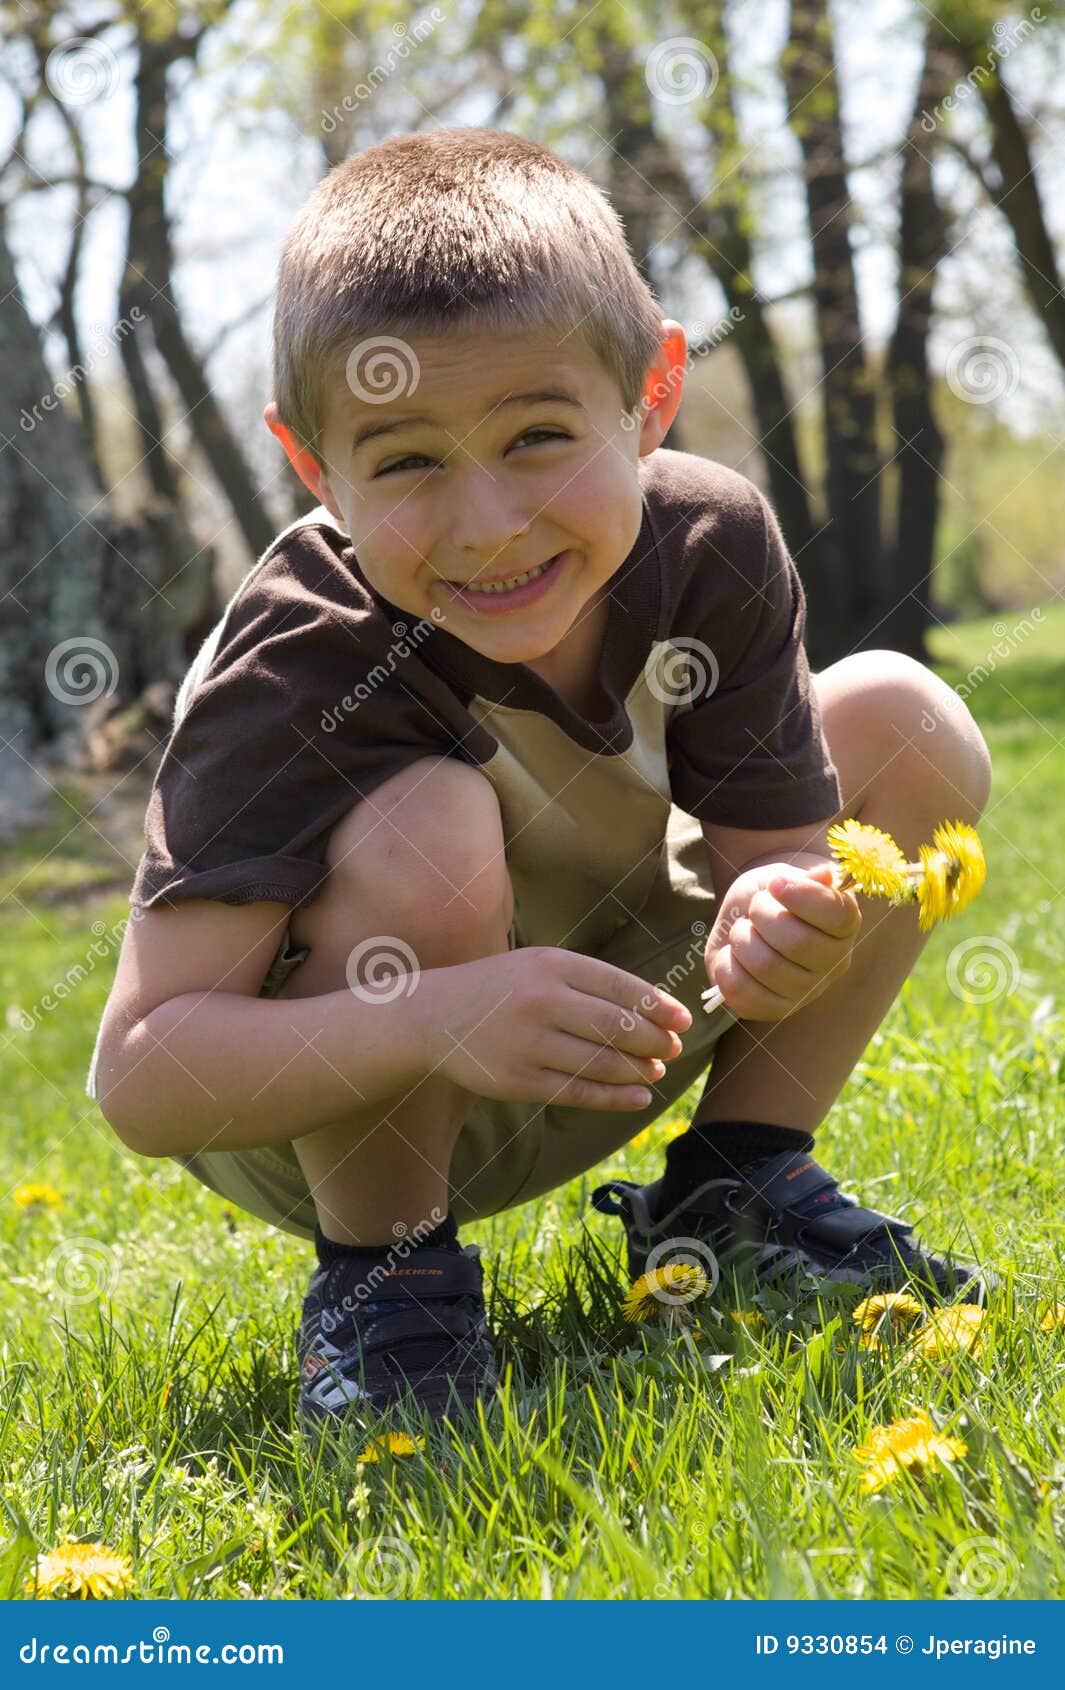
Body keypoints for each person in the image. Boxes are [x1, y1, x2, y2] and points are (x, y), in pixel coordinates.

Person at [86, 127, 992, 1435]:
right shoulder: (301, 652)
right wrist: (432, 1016)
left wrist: (781, 916)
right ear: (311, 464)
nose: (489, 523)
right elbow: (142, 1071)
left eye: (537, 434)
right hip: (338, 1090)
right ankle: (388, 1294)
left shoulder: (707, 541)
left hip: (611, 1024)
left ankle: (733, 1186)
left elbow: (779, 852)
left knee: (904, 716)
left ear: (652, 394)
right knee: (425, 819)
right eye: (403, 460)